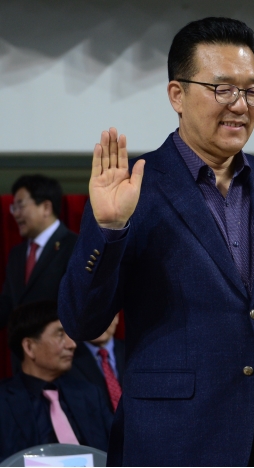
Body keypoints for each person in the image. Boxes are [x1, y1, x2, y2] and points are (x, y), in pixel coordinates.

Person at [58, 17, 254, 466]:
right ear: (177, 94)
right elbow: (81, 321)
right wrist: (109, 229)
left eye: (252, 91)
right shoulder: (136, 187)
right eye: (222, 89)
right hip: (172, 443)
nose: (241, 105)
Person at [0, 301, 111, 459]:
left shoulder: (89, 394)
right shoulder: (4, 403)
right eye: (60, 335)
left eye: (70, 336)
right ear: (29, 347)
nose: (72, 345)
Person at [1, 175, 77, 329]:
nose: (15, 214)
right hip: (22, 351)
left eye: (20, 206)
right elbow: (7, 305)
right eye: (13, 207)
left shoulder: (74, 246)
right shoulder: (17, 253)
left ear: (46, 208)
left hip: (60, 348)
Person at [69, 314, 124, 413]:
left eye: (103, 317)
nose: (97, 324)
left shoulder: (136, 352)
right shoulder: (69, 359)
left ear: (116, 318)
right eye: (90, 317)